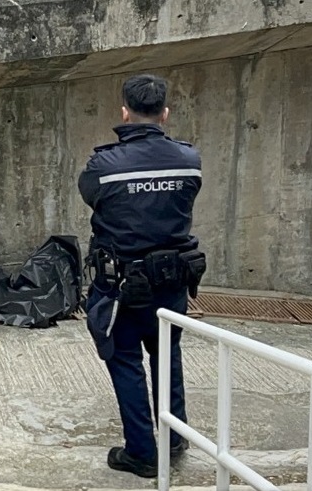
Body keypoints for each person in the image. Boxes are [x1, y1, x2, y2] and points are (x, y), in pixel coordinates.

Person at [77, 74, 207, 479]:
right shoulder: (189, 160)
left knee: (126, 359)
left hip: (121, 288)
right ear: (165, 113)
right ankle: (173, 437)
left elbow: (90, 195)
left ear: (124, 112)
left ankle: (141, 453)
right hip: (172, 280)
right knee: (167, 355)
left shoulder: (104, 165)